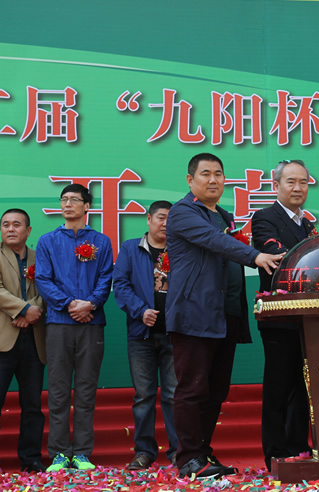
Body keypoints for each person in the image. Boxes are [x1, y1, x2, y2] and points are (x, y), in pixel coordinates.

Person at [166, 153, 283, 479]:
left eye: (218, 173)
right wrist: (255, 256)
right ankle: (188, 458)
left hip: (225, 313)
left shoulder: (225, 217)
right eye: (205, 174)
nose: (213, 179)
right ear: (190, 180)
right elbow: (212, 241)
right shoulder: (183, 212)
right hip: (194, 312)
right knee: (192, 388)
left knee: (216, 391)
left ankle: (202, 452)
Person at [35, 184, 114, 472]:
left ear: (87, 206)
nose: (68, 204)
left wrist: (90, 304)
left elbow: (106, 278)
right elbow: (43, 279)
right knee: (57, 390)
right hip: (59, 322)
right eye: (64, 199)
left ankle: (81, 452)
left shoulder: (101, 241)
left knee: (86, 389)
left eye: (74, 200)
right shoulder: (48, 241)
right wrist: (69, 304)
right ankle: (59, 452)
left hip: (92, 323)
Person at [251, 160, 314, 468]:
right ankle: (275, 450)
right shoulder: (264, 217)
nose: (298, 188)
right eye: (291, 182)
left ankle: (299, 445)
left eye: (303, 182)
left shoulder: (308, 224)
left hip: (309, 317)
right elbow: (279, 255)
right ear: (276, 185)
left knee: (304, 384)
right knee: (279, 384)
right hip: (279, 315)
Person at [113, 200, 179, 470]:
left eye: (170, 219)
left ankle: (178, 451)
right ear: (148, 219)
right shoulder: (131, 248)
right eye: (161, 217)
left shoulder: (181, 249)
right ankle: (144, 452)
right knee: (143, 396)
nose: (165, 223)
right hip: (141, 335)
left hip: (175, 334)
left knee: (174, 395)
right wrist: (141, 311)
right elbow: (121, 285)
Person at [0, 209, 46, 472]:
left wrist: (31, 312)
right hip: (3, 341)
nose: (10, 229)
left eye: (16, 224)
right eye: (5, 224)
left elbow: (48, 288)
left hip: (34, 342)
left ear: (28, 231)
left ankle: (31, 459)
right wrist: (23, 310)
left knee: (32, 405)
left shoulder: (41, 257)